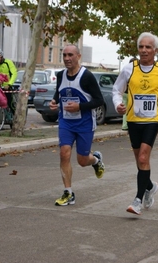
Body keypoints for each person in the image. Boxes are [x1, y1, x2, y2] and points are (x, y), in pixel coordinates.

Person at [112, 32, 158, 215]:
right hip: (133, 119)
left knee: (143, 158)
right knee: (140, 161)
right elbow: (117, 90)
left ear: (155, 50)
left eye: (148, 47)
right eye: (141, 47)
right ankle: (149, 186)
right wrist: (118, 105)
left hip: (152, 119)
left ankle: (138, 200)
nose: (144, 50)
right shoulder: (128, 69)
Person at [49, 44, 105, 206]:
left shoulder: (86, 76)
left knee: (82, 160)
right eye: (64, 55)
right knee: (64, 153)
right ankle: (68, 192)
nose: (67, 58)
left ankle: (95, 160)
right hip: (66, 121)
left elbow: (99, 100)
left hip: (85, 122)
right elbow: (59, 93)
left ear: (78, 56)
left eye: (70, 55)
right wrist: (54, 102)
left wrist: (79, 106)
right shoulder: (61, 75)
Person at [0, 50, 18, 114]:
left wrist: (9, 84)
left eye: (0, 57)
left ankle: (15, 115)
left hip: (7, 86)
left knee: (10, 102)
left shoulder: (8, 62)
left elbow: (14, 73)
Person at [121, 57, 137, 131]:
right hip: (131, 94)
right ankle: (131, 124)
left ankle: (124, 125)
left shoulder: (126, 71)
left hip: (124, 93)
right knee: (132, 109)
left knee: (125, 110)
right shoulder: (136, 72)